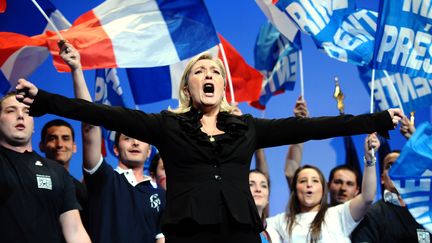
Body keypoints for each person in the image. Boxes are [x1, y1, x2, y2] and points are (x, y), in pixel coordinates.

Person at [16, 52, 402, 243]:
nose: (208, 75)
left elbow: (320, 126)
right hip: (189, 232)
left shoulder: (246, 128)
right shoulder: (167, 125)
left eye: (215, 71)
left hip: (240, 231)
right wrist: (47, 100)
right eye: (199, 71)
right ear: (188, 87)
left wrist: (379, 119)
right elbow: (102, 114)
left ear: (222, 85)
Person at [57, 42, 166, 243]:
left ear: (149, 151)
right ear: (115, 148)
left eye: (141, 140)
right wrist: (77, 70)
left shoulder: (161, 195)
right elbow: (90, 126)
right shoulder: (103, 179)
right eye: (127, 138)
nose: (135, 143)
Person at [0, 92, 90, 243]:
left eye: (27, 111)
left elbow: (75, 231)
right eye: (11, 110)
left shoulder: (57, 171)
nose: (20, 116)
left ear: (33, 125)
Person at [267, 133, 380, 243]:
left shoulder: (338, 214)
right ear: (295, 189)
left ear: (324, 189)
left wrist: (370, 157)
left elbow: (367, 196)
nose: (309, 184)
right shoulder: (279, 222)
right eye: (303, 181)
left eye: (315, 181)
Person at [351, 116, 431, 243]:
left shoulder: (426, 214)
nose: (395, 171)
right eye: (390, 166)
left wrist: (416, 138)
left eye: (401, 165)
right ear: (382, 178)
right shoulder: (372, 214)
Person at [39, 118, 88, 226]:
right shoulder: (31, 182)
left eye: (65, 138)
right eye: (52, 138)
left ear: (74, 147)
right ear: (41, 146)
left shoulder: (83, 190)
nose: (60, 144)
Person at [249, 169, 272, 243]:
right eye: (251, 184)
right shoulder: (232, 230)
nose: (258, 189)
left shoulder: (266, 235)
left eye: (263, 186)